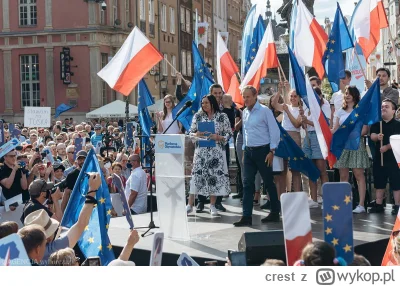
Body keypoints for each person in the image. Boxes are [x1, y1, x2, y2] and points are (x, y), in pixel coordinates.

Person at [24, 172, 101, 264]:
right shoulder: (54, 248)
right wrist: (92, 190)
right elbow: (80, 223)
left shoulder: (22, 255)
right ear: (47, 238)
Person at [233, 86, 280, 226]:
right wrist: (243, 149)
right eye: (244, 97)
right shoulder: (245, 112)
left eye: (248, 96)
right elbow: (246, 132)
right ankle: (246, 216)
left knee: (268, 182)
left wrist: (272, 151)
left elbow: (274, 131)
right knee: (247, 183)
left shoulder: (265, 111)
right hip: (248, 152)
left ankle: (274, 212)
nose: (245, 99)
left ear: (255, 96)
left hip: (263, 151)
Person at [186, 94, 233, 216]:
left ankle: (212, 205)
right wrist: (196, 134)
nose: (204, 105)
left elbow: (229, 133)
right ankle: (190, 204)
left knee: (214, 177)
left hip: (216, 152)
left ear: (212, 103)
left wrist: (220, 137)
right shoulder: (198, 116)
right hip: (201, 152)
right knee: (196, 176)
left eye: (206, 103)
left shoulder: (222, 116)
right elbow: (190, 132)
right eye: (202, 103)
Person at [332, 86, 369, 213]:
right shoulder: (340, 111)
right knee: (343, 175)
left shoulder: (361, 111)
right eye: (346, 93)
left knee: (359, 175)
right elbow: (335, 129)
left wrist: (352, 134)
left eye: (350, 93)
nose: (347, 95)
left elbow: (364, 130)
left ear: (355, 95)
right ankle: (345, 202)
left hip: (356, 145)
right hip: (343, 147)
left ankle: (361, 204)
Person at [369, 99, 400, 214]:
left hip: (394, 158)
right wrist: (377, 137)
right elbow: (372, 136)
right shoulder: (377, 124)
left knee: (396, 182)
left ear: (393, 110)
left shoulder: (398, 124)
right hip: (379, 158)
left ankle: (397, 205)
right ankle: (378, 204)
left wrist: (387, 146)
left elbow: (398, 139)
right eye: (382, 107)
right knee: (379, 181)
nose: (383, 108)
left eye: (387, 107)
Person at [301, 87, 330, 208]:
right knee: (310, 169)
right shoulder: (306, 107)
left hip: (319, 137)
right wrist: (303, 121)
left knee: (321, 169)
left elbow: (325, 124)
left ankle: (326, 198)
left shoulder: (324, 106)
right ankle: (313, 198)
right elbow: (304, 126)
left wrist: (307, 122)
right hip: (308, 138)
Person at [271, 86, 302, 194]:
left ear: (299, 98)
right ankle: (283, 196)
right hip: (283, 138)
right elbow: (274, 104)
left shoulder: (302, 109)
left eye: (295, 96)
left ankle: (297, 195)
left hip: (295, 138)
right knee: (282, 169)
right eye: (291, 96)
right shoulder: (285, 106)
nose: (293, 98)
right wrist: (279, 90)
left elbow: (297, 124)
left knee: (296, 169)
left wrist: (287, 111)